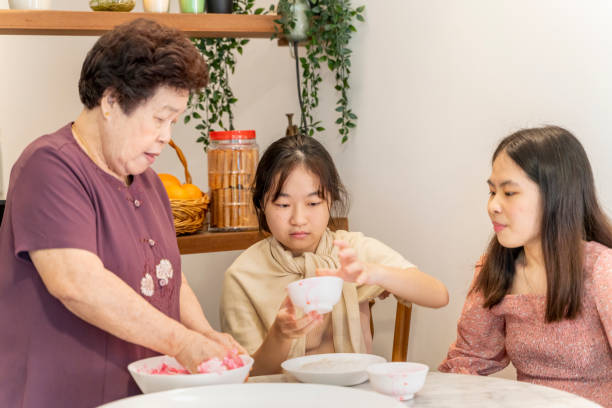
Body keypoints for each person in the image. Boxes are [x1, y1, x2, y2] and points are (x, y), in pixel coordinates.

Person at [0, 19, 245, 407]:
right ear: (112, 102)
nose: (167, 135)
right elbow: (76, 283)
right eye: (159, 118)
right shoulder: (49, 166)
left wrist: (204, 334)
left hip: (136, 396)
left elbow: (168, 278)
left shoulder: (146, 180)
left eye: (175, 121)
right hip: (60, 395)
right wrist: (182, 343)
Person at [221, 134, 449, 375]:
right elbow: (248, 377)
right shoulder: (242, 275)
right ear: (261, 204)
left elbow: (438, 295)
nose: (298, 219)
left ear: (331, 199)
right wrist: (279, 336)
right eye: (283, 205)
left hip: (354, 395)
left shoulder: (349, 251)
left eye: (313, 203)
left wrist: (374, 272)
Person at [439, 126, 612, 407]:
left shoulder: (603, 270)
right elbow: (469, 361)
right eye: (492, 192)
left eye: (509, 193)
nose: (493, 205)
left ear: (556, 196)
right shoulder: (495, 268)